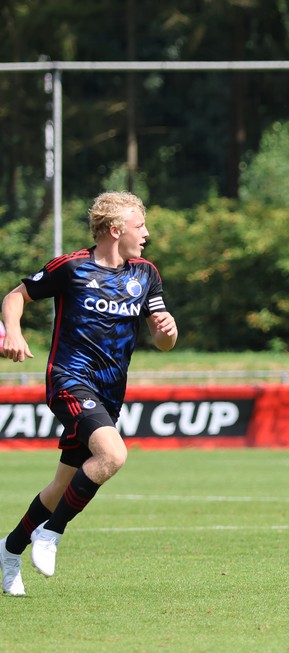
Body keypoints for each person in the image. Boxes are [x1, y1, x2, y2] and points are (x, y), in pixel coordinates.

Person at [0, 191, 178, 597]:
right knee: (113, 455)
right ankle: (51, 532)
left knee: (60, 487)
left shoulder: (146, 273)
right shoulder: (72, 267)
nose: (147, 234)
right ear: (115, 230)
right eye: (140, 226)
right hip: (69, 380)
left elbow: (163, 340)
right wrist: (12, 330)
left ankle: (9, 550)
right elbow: (15, 296)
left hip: (110, 393)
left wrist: (166, 332)